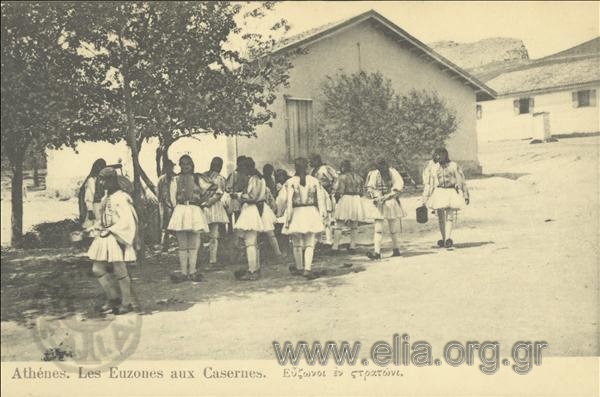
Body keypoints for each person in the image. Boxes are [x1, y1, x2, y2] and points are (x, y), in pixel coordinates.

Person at [87, 167, 139, 315]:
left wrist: (113, 230)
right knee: (97, 269)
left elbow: (128, 220)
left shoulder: (121, 198)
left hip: (116, 236)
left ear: (112, 180)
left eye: (105, 179)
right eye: (100, 180)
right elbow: (103, 219)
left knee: (120, 270)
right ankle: (113, 298)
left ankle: (126, 302)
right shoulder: (105, 198)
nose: (102, 183)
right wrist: (93, 228)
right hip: (105, 237)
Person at [168, 155, 217, 282]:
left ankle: (193, 271)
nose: (185, 167)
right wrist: (177, 209)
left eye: (188, 164)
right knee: (183, 244)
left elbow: (213, 187)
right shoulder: (175, 179)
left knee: (194, 243)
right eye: (183, 164)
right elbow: (172, 197)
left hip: (195, 210)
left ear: (192, 165)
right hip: (181, 209)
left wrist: (203, 200)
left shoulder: (197, 178)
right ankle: (184, 272)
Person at [233, 157, 279, 281]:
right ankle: (255, 268)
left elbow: (252, 197)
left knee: (250, 242)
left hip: (252, 209)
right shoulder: (258, 179)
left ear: (247, 168)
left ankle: (252, 270)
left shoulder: (254, 179)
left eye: (242, 169)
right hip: (258, 208)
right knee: (253, 242)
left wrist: (238, 195)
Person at [283, 157, 327, 280]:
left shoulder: (290, 182)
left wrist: (287, 217)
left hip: (296, 212)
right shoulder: (314, 181)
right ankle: (307, 269)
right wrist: (323, 213)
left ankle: (299, 267)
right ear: (307, 167)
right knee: (309, 243)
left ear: (295, 168)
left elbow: (288, 202)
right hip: (310, 212)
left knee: (296, 243)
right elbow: (321, 199)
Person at [421, 148, 470, 248]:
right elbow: (430, 184)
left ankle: (448, 238)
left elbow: (461, 180)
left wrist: (465, 194)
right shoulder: (433, 168)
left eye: (440, 155)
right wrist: (425, 199)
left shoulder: (453, 166)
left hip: (451, 191)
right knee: (440, 218)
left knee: (449, 216)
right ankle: (443, 239)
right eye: (436, 155)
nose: (438, 157)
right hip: (439, 192)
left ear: (445, 155)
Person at [364, 158, 406, 260]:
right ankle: (377, 252)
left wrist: (388, 196)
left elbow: (399, 186)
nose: (381, 168)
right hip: (379, 202)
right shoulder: (374, 174)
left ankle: (396, 249)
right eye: (379, 166)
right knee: (378, 228)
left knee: (393, 228)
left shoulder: (393, 172)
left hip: (390, 201)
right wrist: (375, 195)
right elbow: (370, 187)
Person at [332, 159, 368, 253]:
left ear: (344, 167)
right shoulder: (358, 177)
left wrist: (336, 200)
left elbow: (339, 190)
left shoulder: (342, 177)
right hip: (356, 199)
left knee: (339, 223)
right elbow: (362, 191)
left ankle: (335, 247)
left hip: (346, 198)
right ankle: (352, 246)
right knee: (354, 224)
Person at [203, 157, 228, 266]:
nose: (216, 166)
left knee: (214, 235)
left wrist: (209, 202)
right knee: (200, 233)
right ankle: (201, 257)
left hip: (214, 207)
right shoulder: (203, 176)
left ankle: (213, 259)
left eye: (218, 164)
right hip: (203, 205)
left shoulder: (220, 178)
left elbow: (219, 193)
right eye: (214, 164)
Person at [310, 154, 338, 247]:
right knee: (317, 217)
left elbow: (335, 178)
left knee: (327, 217)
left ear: (317, 160)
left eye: (312, 161)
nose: (311, 163)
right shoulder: (313, 171)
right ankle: (318, 240)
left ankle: (329, 241)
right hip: (316, 195)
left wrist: (333, 190)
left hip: (325, 193)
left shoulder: (326, 168)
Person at [79, 159, 107, 236]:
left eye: (102, 167)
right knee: (94, 227)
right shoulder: (91, 180)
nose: (100, 169)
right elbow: (89, 196)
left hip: (103, 206)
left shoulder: (102, 179)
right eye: (99, 167)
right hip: (96, 206)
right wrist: (90, 210)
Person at [157, 159, 175, 252]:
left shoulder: (175, 178)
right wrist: (162, 203)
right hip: (164, 205)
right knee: (165, 226)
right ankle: (165, 246)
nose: (169, 169)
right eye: (167, 167)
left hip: (175, 205)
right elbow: (159, 194)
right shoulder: (161, 179)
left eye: (170, 167)